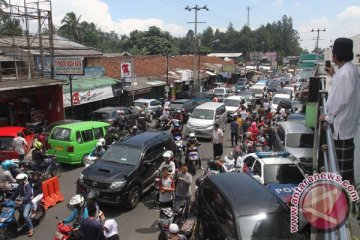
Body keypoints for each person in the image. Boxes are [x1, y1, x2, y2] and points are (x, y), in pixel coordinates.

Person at [319, 37, 360, 185]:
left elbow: (340, 100)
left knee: (342, 172)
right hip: (347, 124)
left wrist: (328, 117)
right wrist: (334, 74)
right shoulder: (349, 70)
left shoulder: (344, 73)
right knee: (346, 170)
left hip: (341, 126)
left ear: (336, 55)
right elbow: (344, 91)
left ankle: (346, 202)